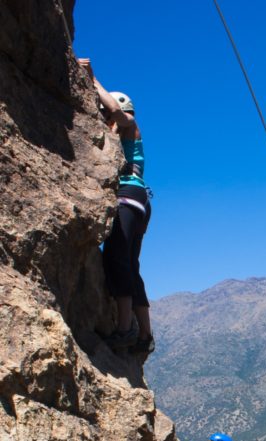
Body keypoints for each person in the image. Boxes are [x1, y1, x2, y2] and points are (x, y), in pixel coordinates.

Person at [78, 58, 154, 356]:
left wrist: (92, 80)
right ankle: (144, 334)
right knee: (131, 266)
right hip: (139, 203)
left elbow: (116, 112)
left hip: (126, 196)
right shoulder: (124, 139)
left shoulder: (130, 128)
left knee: (116, 259)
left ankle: (124, 328)